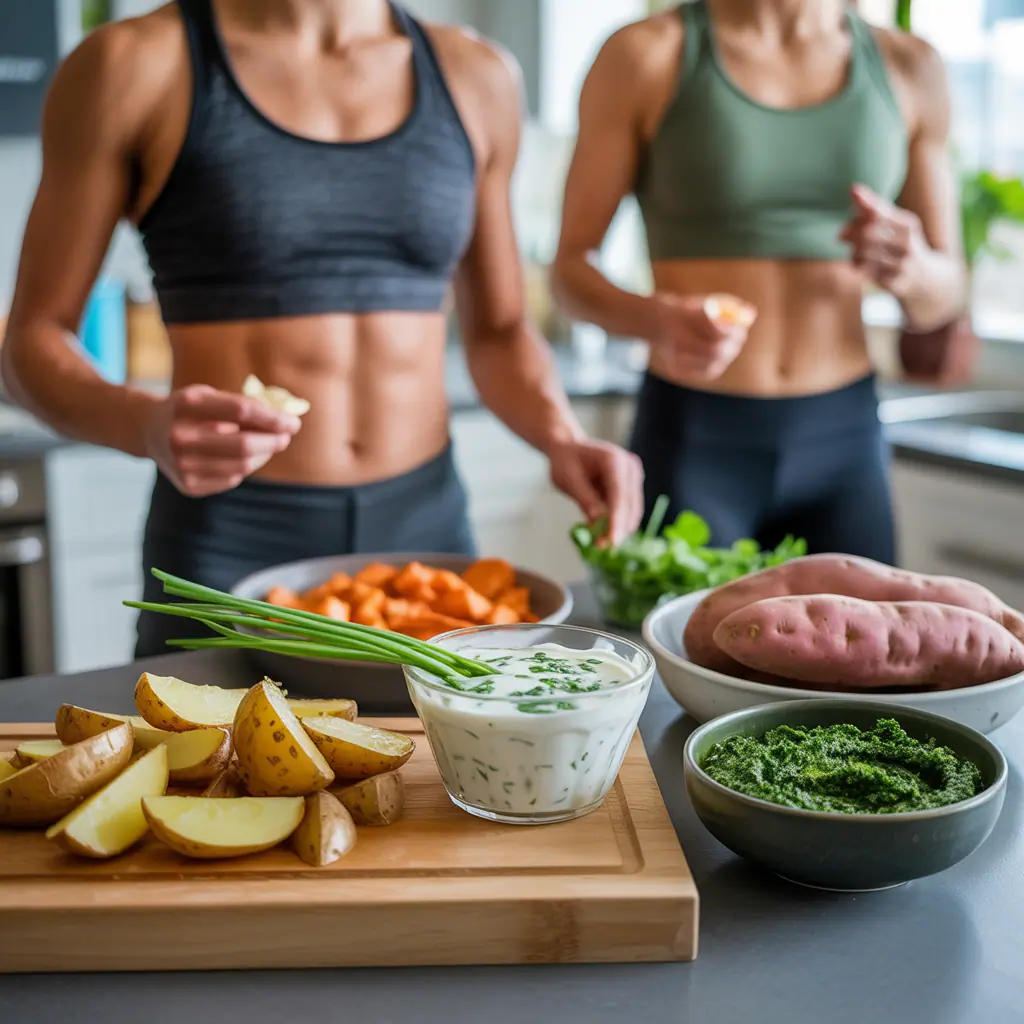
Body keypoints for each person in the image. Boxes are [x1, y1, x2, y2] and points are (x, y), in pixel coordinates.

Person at [1, 0, 644, 657]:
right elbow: (30, 342)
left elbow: (502, 329)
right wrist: (143, 425)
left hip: (426, 533)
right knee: (207, 759)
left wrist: (563, 438)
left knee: (438, 761)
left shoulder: (477, 75)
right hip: (229, 538)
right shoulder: (132, 64)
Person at [551, 0, 966, 564]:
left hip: (844, 439)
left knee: (865, 649)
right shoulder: (647, 54)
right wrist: (657, 319)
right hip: (695, 433)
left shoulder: (909, 65)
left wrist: (914, 268)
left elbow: (947, 288)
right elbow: (570, 271)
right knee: (673, 651)